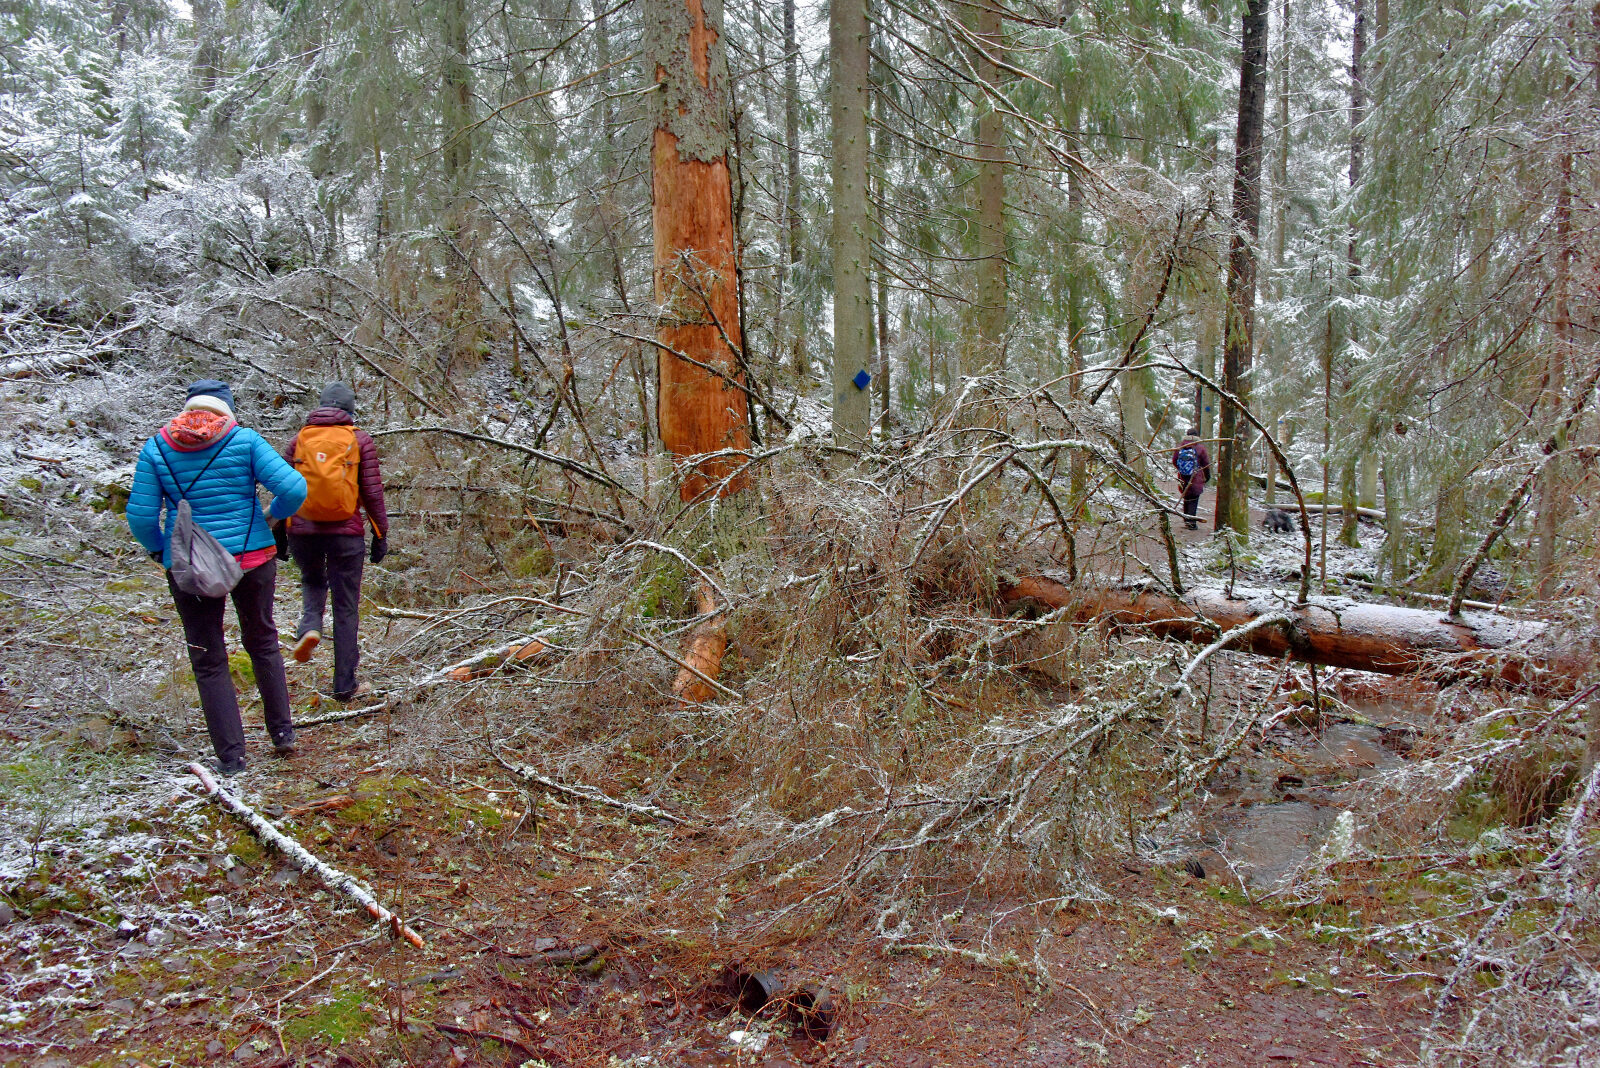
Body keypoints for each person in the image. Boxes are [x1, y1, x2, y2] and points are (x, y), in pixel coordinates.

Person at [127, 380, 308, 775]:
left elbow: (140, 517)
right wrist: (269, 518)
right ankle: (282, 734)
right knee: (262, 641)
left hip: (189, 564)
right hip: (253, 558)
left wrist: (161, 550)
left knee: (208, 657)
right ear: (226, 410)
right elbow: (294, 487)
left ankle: (231, 757)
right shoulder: (244, 441)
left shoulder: (157, 448)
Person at [280, 383, 389, 703]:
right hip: (346, 534)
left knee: (312, 581)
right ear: (349, 410)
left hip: (302, 531)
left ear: (320, 407)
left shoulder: (298, 440)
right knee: (346, 607)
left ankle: (310, 625)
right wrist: (380, 535)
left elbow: (283, 488)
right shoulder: (359, 440)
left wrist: (279, 534)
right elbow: (372, 493)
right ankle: (344, 684)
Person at [1172, 428, 1212, 531]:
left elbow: (1174, 460)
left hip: (1182, 477)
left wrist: (1181, 469)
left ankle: (1187, 520)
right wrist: (1207, 476)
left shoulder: (1181, 446)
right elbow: (1206, 463)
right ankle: (1192, 522)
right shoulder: (1200, 447)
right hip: (1196, 477)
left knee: (1186, 497)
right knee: (1194, 498)